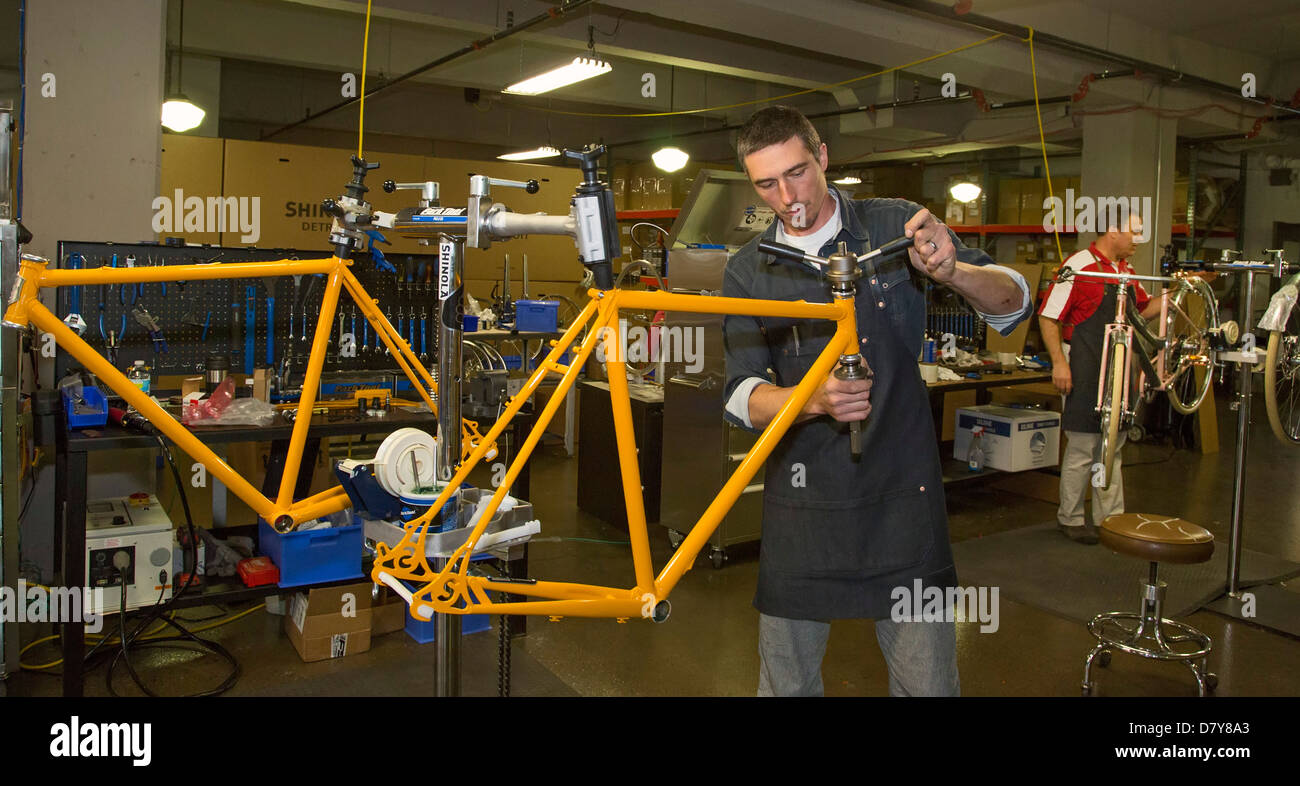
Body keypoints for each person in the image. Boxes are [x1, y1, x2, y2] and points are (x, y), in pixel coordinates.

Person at [722, 106, 1032, 696]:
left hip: (903, 494)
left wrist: (953, 270)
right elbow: (739, 396)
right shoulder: (749, 269)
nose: (787, 196)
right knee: (785, 684)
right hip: (803, 505)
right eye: (766, 183)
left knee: (928, 683)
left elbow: (1013, 302)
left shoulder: (895, 226)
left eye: (798, 173)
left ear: (825, 159)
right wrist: (809, 399)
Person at [1037, 215, 1163, 545]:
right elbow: (1049, 316)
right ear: (1113, 230)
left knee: (1113, 447)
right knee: (1082, 446)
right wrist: (1059, 364)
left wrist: (1177, 294)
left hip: (1118, 368)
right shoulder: (1078, 266)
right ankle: (1071, 517)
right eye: (1133, 232)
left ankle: (1110, 520)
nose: (1138, 239)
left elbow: (1142, 310)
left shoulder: (1127, 272)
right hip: (1083, 364)